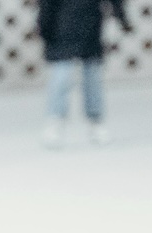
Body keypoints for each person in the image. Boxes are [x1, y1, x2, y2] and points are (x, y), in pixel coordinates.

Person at [38, 0, 131, 146]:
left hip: (90, 30)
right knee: (61, 79)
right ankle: (55, 121)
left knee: (92, 80)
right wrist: (45, 31)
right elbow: (46, 6)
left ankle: (96, 122)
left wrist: (122, 18)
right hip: (62, 32)